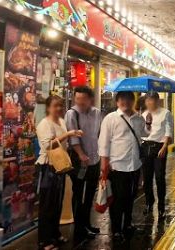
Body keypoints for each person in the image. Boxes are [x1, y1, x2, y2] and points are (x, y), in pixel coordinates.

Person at [98, 91, 149, 241]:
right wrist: (104, 164)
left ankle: (127, 224)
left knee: (131, 197)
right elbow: (103, 142)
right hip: (117, 165)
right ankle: (116, 229)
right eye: (122, 99)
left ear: (133, 101)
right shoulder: (111, 118)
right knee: (118, 199)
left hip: (135, 164)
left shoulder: (139, 118)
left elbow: (144, 134)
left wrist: (149, 123)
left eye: (128, 99)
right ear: (117, 102)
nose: (125, 102)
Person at [36, 95, 83, 250]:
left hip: (60, 166)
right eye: (56, 106)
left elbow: (63, 143)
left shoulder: (61, 121)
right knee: (47, 205)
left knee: (57, 203)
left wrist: (72, 136)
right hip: (48, 166)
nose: (59, 109)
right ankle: (44, 240)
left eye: (61, 105)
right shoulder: (44, 123)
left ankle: (54, 234)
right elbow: (47, 146)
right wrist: (68, 134)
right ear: (48, 107)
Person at [65, 86, 103, 240]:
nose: (80, 102)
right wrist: (81, 155)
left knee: (89, 195)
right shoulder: (72, 113)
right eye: (77, 98)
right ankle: (79, 228)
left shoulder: (97, 113)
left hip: (95, 160)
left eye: (83, 99)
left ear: (90, 99)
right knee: (78, 194)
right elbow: (73, 137)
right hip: (80, 162)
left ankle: (87, 224)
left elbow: (98, 134)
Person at [141, 92, 173, 218]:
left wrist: (165, 146)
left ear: (157, 101)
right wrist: (146, 123)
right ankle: (149, 202)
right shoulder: (143, 114)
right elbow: (143, 133)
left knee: (160, 177)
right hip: (146, 147)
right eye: (147, 100)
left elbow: (168, 130)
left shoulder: (166, 113)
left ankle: (161, 207)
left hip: (159, 147)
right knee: (147, 178)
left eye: (152, 100)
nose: (149, 102)